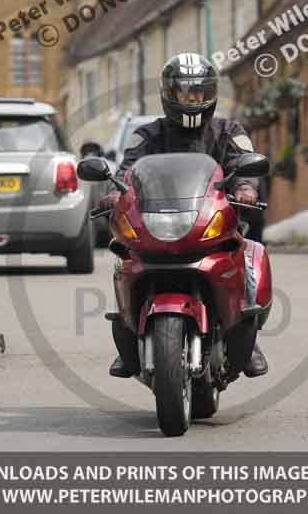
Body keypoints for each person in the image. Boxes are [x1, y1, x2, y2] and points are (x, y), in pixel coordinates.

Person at [99, 52, 269, 379]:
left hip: (212, 223)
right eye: (184, 93)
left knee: (246, 254)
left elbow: (245, 161)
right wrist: (115, 192)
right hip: (157, 225)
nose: (192, 99)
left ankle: (247, 335)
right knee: (124, 258)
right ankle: (129, 327)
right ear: (169, 95)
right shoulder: (148, 134)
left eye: (199, 92)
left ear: (210, 94)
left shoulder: (229, 130)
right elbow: (127, 168)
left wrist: (246, 187)